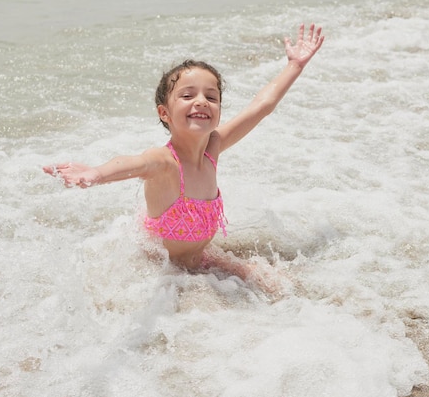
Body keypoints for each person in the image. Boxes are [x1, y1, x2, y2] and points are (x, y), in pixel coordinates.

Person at [43, 23, 324, 295]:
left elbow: (261, 107)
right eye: (188, 95)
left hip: (200, 259)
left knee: (282, 286)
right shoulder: (165, 162)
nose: (201, 101)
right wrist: (97, 173)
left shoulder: (212, 148)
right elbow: (133, 163)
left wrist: (295, 66)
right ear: (164, 113)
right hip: (159, 272)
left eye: (211, 97)